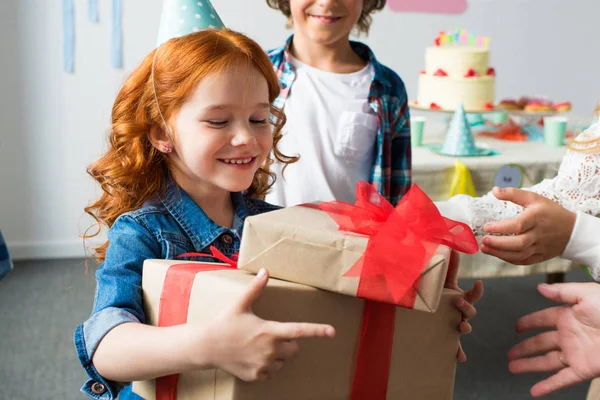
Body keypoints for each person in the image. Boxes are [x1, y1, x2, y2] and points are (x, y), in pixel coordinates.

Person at [73, 17, 336, 400]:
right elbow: (106, 347)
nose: (246, 137)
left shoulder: (273, 225)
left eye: (259, 119)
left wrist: (431, 317)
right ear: (163, 133)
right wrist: (211, 346)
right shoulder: (142, 232)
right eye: (218, 120)